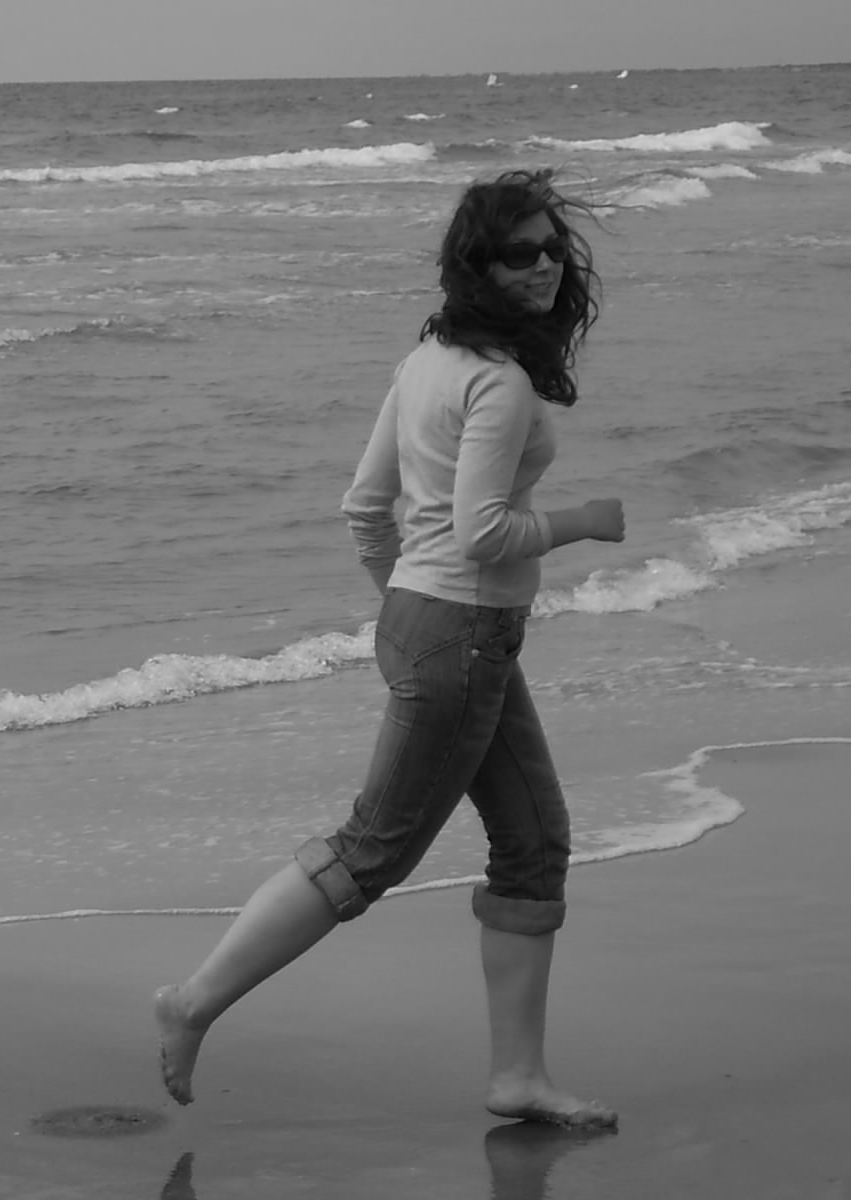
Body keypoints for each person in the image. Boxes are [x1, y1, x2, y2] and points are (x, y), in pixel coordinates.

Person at [154, 169, 623, 1129]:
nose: (538, 268)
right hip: (458, 632)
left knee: (534, 845)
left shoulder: (428, 362)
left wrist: (403, 605)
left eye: (548, 250)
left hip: (433, 623)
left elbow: (365, 510)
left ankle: (518, 1079)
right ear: (477, 265)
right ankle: (192, 999)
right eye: (517, 253)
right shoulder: (494, 380)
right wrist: (582, 521)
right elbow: (486, 532)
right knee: (372, 851)